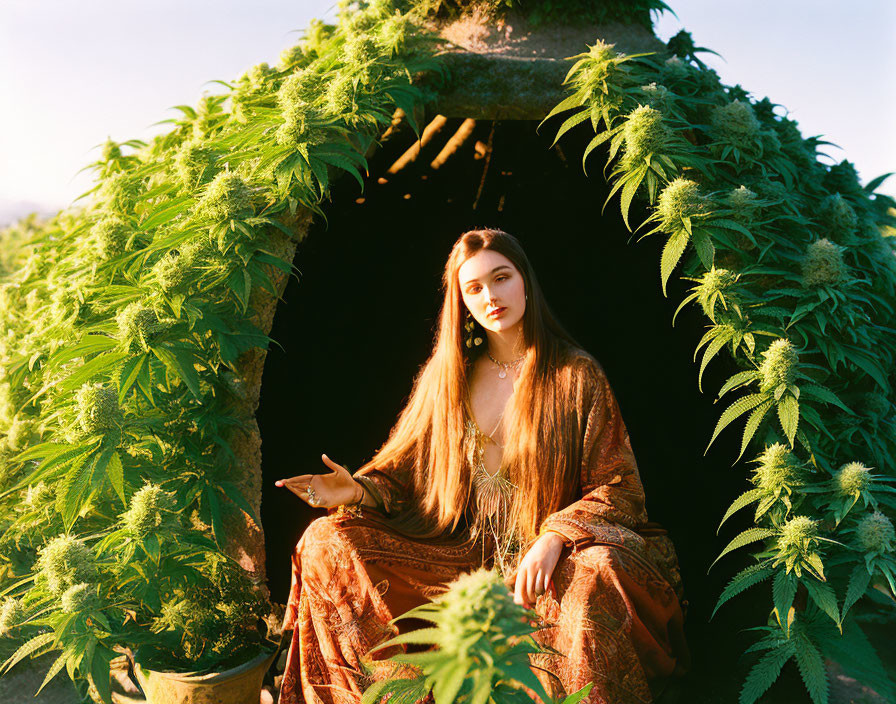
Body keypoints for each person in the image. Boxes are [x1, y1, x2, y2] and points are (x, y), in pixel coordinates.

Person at [275, 228, 690, 704]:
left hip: (546, 560)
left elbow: (618, 486)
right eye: (473, 287)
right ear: (461, 300)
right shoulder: (447, 377)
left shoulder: (575, 375)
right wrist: (355, 492)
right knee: (326, 539)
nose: (490, 296)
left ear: (526, 283)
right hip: (458, 556)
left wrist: (556, 537)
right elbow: (406, 475)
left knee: (598, 570)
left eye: (501, 278)